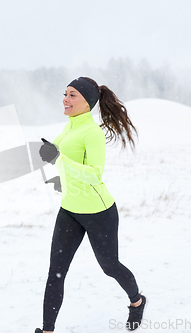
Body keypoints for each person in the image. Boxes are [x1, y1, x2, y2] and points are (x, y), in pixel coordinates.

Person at [36, 77, 145, 333]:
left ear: (88, 102)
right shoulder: (69, 128)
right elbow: (61, 158)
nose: (65, 99)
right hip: (70, 210)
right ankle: (47, 330)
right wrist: (51, 158)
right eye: (65, 94)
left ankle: (137, 301)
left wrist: (59, 159)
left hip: (99, 212)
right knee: (56, 273)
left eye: (72, 95)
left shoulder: (92, 132)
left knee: (110, 267)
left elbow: (94, 173)